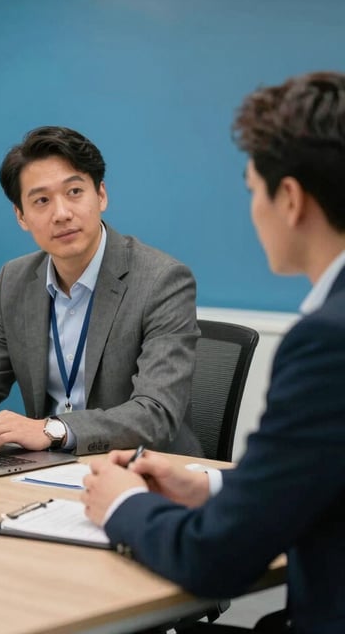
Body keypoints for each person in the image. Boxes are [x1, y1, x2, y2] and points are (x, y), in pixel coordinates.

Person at [82, 71, 345, 634]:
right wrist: (212, 486)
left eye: (253, 190)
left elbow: (216, 559)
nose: (253, 209)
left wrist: (123, 504)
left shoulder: (328, 341)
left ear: (292, 199)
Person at [0, 126, 201, 456]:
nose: (61, 214)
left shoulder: (162, 280)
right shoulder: (14, 280)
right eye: (41, 200)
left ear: (101, 195)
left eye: (74, 192)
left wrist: (52, 429)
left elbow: (157, 412)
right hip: (48, 469)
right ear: (21, 216)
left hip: (143, 468)